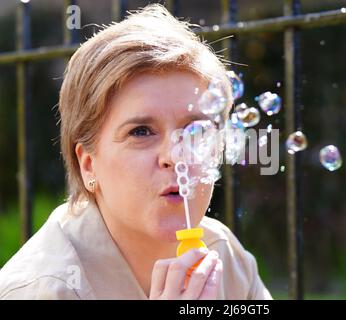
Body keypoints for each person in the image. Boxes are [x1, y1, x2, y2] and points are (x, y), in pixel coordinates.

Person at [0, 4, 272, 300]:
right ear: (88, 165)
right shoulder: (42, 289)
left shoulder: (224, 256)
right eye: (141, 131)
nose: (176, 155)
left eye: (196, 131)